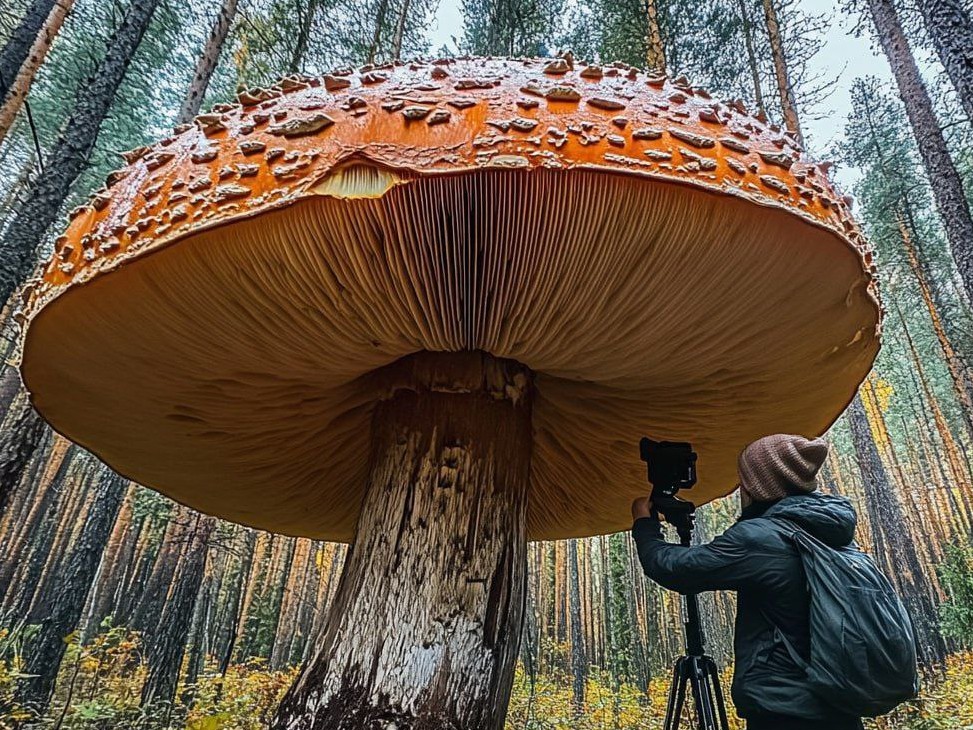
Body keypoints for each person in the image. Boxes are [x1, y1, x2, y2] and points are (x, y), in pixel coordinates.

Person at [631, 434, 865, 730]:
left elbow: (674, 568)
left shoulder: (761, 538)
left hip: (785, 710)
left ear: (759, 484)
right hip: (839, 702)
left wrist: (644, 523)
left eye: (746, 480)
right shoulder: (830, 533)